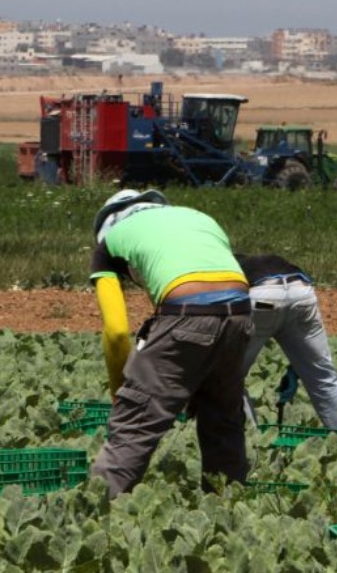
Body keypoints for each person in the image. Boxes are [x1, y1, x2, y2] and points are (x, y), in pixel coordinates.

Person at [89, 189, 253, 497]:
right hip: (242, 315)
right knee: (223, 421)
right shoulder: (200, 218)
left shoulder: (109, 244)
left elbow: (114, 331)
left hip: (185, 310)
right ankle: (228, 512)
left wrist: (122, 392)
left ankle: (94, 513)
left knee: (133, 428)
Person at [235, 252, 337, 431]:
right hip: (301, 293)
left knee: (231, 378)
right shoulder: (256, 260)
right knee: (323, 377)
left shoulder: (221, 267)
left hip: (263, 300)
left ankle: (251, 447)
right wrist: (296, 368)